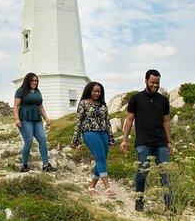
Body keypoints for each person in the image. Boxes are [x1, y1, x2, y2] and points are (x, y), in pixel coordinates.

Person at [119, 69, 173, 212]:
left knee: (165, 174)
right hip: (143, 143)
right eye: (153, 82)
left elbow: (166, 121)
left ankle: (169, 205)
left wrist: (169, 141)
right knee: (142, 173)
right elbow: (129, 119)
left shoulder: (163, 100)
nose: (155, 85)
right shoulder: (136, 98)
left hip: (161, 143)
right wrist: (124, 139)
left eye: (158, 83)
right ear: (146, 81)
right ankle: (139, 201)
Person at [71, 81, 116, 197]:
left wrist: (111, 137)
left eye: (99, 91)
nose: (97, 93)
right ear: (89, 91)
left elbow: (107, 122)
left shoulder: (103, 105)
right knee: (100, 158)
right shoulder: (83, 103)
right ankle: (107, 188)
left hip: (103, 133)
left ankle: (91, 186)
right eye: (95, 91)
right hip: (89, 133)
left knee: (102, 159)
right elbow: (78, 122)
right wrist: (75, 139)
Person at [13, 73, 57, 173]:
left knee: (43, 140)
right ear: (28, 81)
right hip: (25, 119)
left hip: (37, 120)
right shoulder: (21, 91)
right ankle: (24, 165)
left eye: (36, 81)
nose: (34, 83)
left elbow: (41, 107)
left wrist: (46, 119)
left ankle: (46, 165)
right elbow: (16, 106)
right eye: (32, 81)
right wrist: (16, 119)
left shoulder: (38, 92)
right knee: (28, 142)